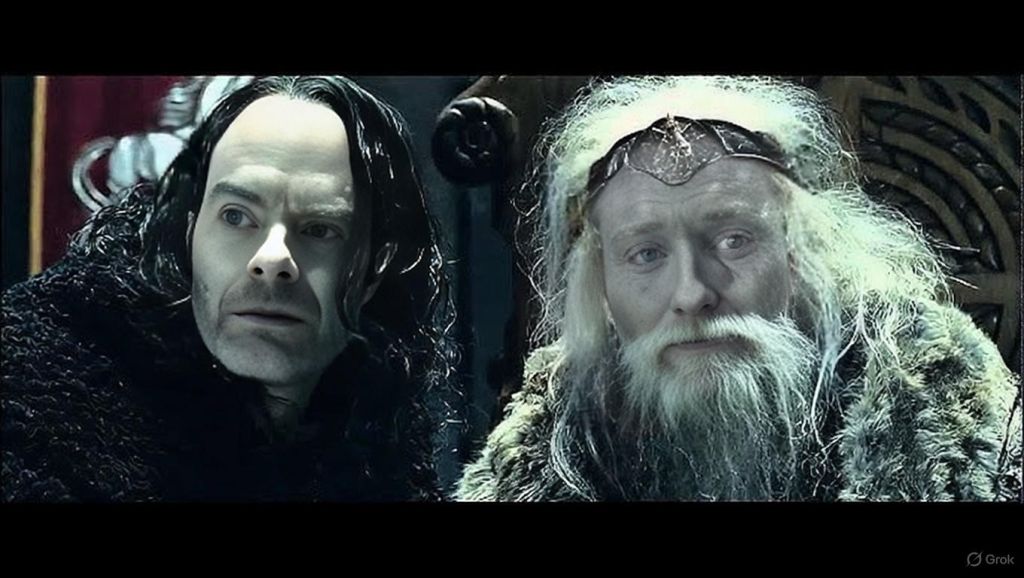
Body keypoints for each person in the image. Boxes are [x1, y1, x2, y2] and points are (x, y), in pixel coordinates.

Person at [456, 75, 1021, 501]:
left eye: (733, 241)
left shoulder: (933, 402)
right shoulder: (554, 441)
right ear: (601, 285)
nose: (692, 293)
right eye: (646, 254)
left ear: (798, 253)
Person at [2, 76, 454, 501]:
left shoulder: (379, 431)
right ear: (188, 236)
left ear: (376, 267)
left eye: (319, 229)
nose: (272, 259)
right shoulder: (31, 396)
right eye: (236, 217)